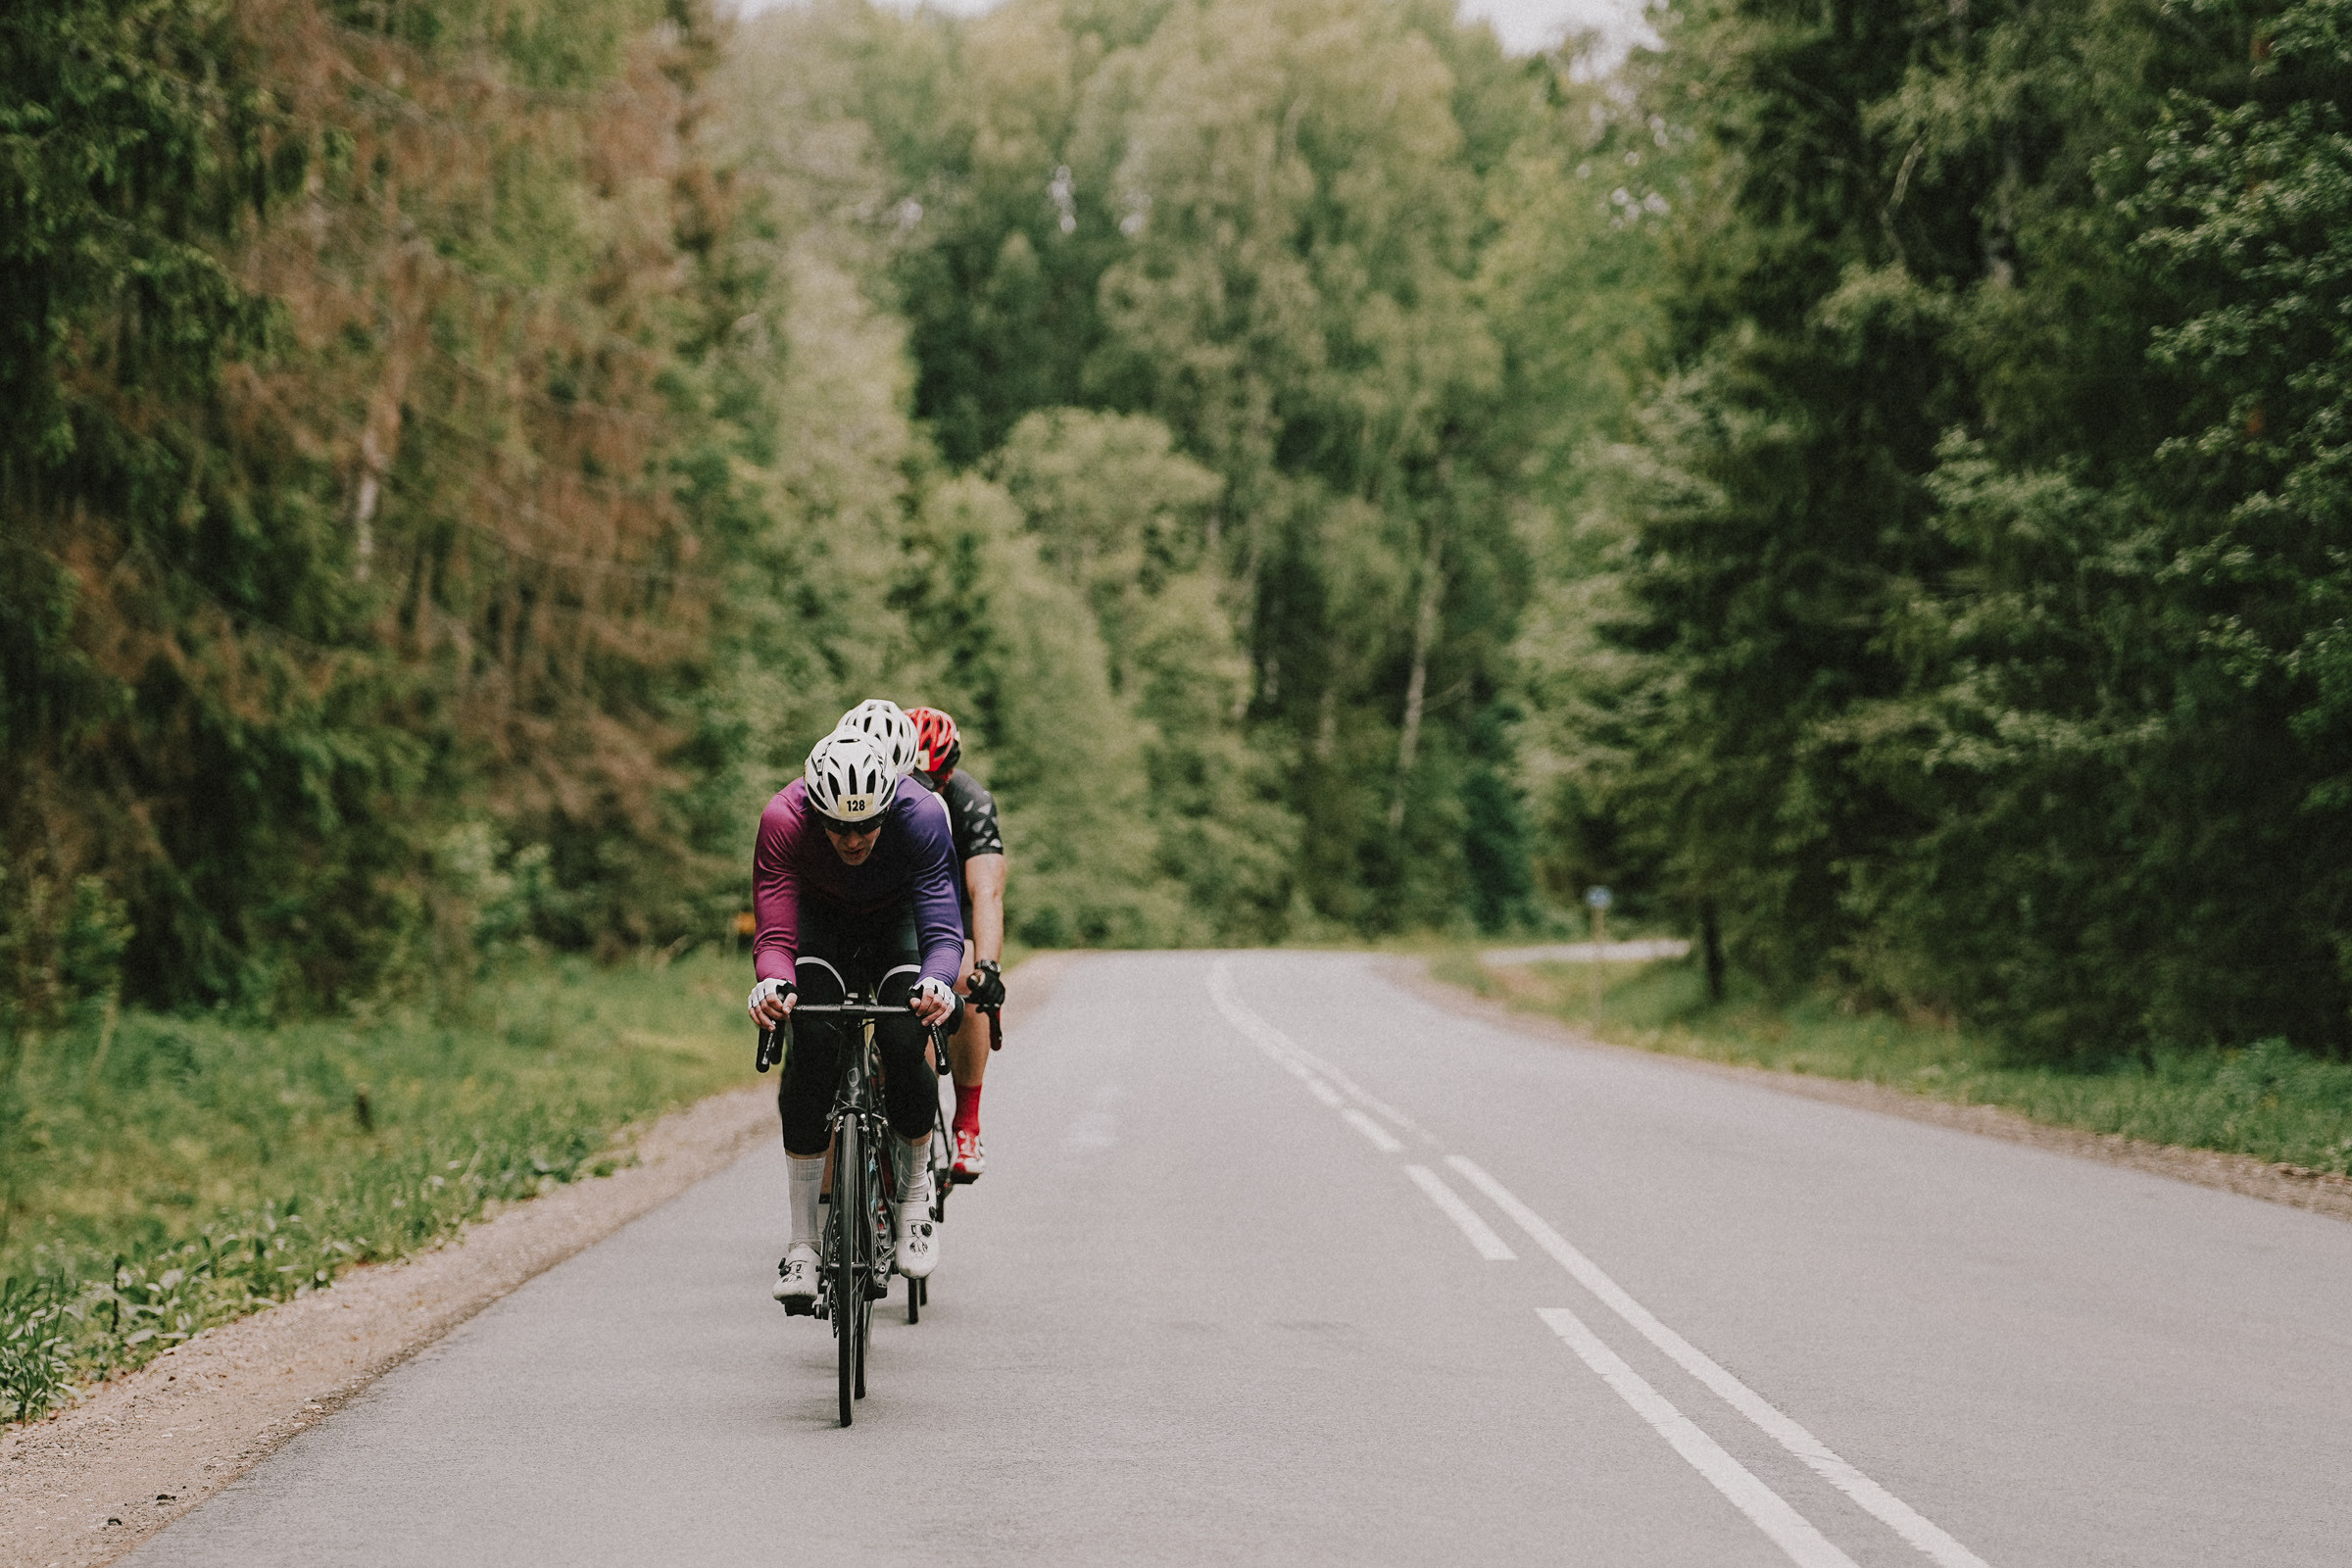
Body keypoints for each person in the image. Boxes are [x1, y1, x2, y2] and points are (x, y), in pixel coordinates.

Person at [746, 722, 961, 1311]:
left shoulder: (922, 815)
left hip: (898, 930)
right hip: (822, 926)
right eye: (838, 826)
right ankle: (803, 1241)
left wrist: (939, 983)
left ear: (888, 805)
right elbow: (775, 933)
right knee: (810, 1041)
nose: (853, 839)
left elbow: (943, 929)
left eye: (866, 824)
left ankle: (915, 1199)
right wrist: (773, 985)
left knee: (902, 1031)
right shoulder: (784, 819)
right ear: (816, 810)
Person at [906, 706, 1006, 1181]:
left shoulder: (969, 799)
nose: (934, 786)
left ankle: (966, 1122)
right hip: (900, 899)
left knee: (966, 981)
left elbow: (985, 891)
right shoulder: (888, 798)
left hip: (953, 902)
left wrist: (988, 967)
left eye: (941, 776)